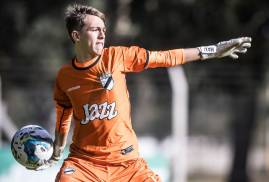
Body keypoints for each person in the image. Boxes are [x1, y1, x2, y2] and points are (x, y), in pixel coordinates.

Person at [37, 3, 252, 182]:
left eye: (104, 29)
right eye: (95, 30)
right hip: (85, 165)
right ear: (76, 35)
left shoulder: (118, 57)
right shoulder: (65, 76)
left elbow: (166, 57)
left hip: (127, 165)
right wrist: (57, 150)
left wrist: (212, 51)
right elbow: (63, 114)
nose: (102, 34)